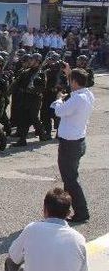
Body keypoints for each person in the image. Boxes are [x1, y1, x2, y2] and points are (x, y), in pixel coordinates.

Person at [5, 188, 87, 271]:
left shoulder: (31, 229)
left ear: (44, 209)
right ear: (68, 214)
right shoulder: (78, 239)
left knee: (12, 262)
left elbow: (13, 256)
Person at [51, 66, 93, 223]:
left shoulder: (77, 99)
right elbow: (75, 89)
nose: (69, 82)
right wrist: (69, 73)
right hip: (78, 141)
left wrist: (59, 98)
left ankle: (82, 212)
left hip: (70, 144)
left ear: (74, 82)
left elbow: (59, 111)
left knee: (70, 180)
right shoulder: (87, 94)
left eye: (70, 80)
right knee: (69, 178)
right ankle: (64, 209)